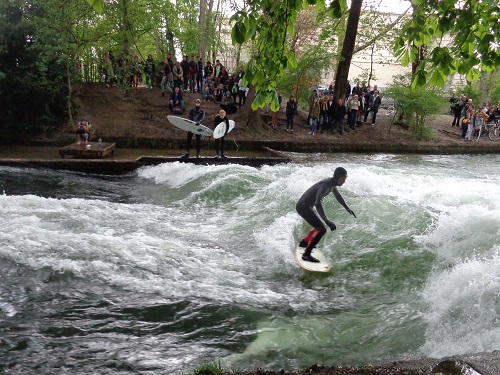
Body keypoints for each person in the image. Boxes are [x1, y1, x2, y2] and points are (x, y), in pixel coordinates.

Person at [296, 167, 356, 263]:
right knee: (322, 229)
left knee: (318, 227)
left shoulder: (332, 184)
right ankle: (306, 254)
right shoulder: (325, 185)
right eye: (344, 178)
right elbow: (317, 203)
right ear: (339, 177)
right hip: (303, 207)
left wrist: (347, 208)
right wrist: (327, 221)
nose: (345, 181)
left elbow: (338, 196)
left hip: (306, 206)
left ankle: (304, 243)